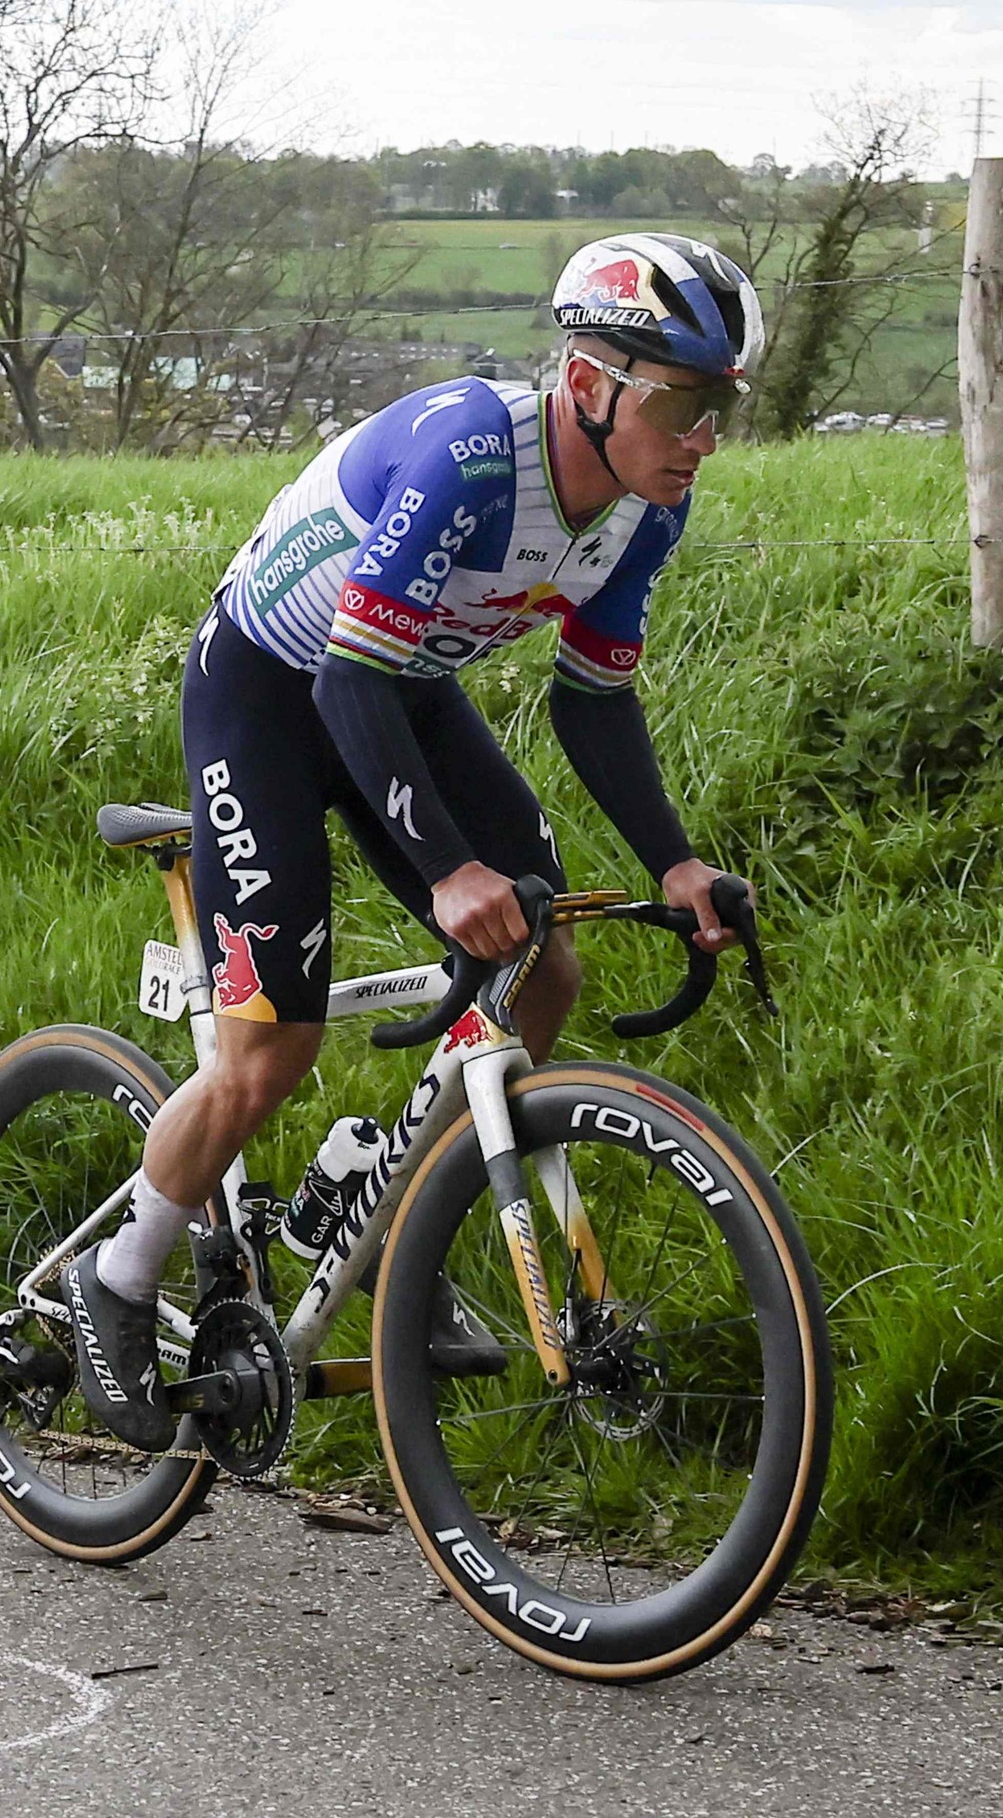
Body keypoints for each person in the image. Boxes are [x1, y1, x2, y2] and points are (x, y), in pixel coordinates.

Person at [63, 233, 762, 1450]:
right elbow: (340, 683)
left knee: (541, 964)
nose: (703, 435)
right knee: (265, 1053)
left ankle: (382, 1205)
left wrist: (677, 862)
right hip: (274, 690)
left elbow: (593, 699)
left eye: (722, 407)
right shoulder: (471, 457)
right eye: (684, 401)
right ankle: (115, 1282)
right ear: (589, 383)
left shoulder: (646, 510)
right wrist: (448, 869)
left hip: (400, 683)